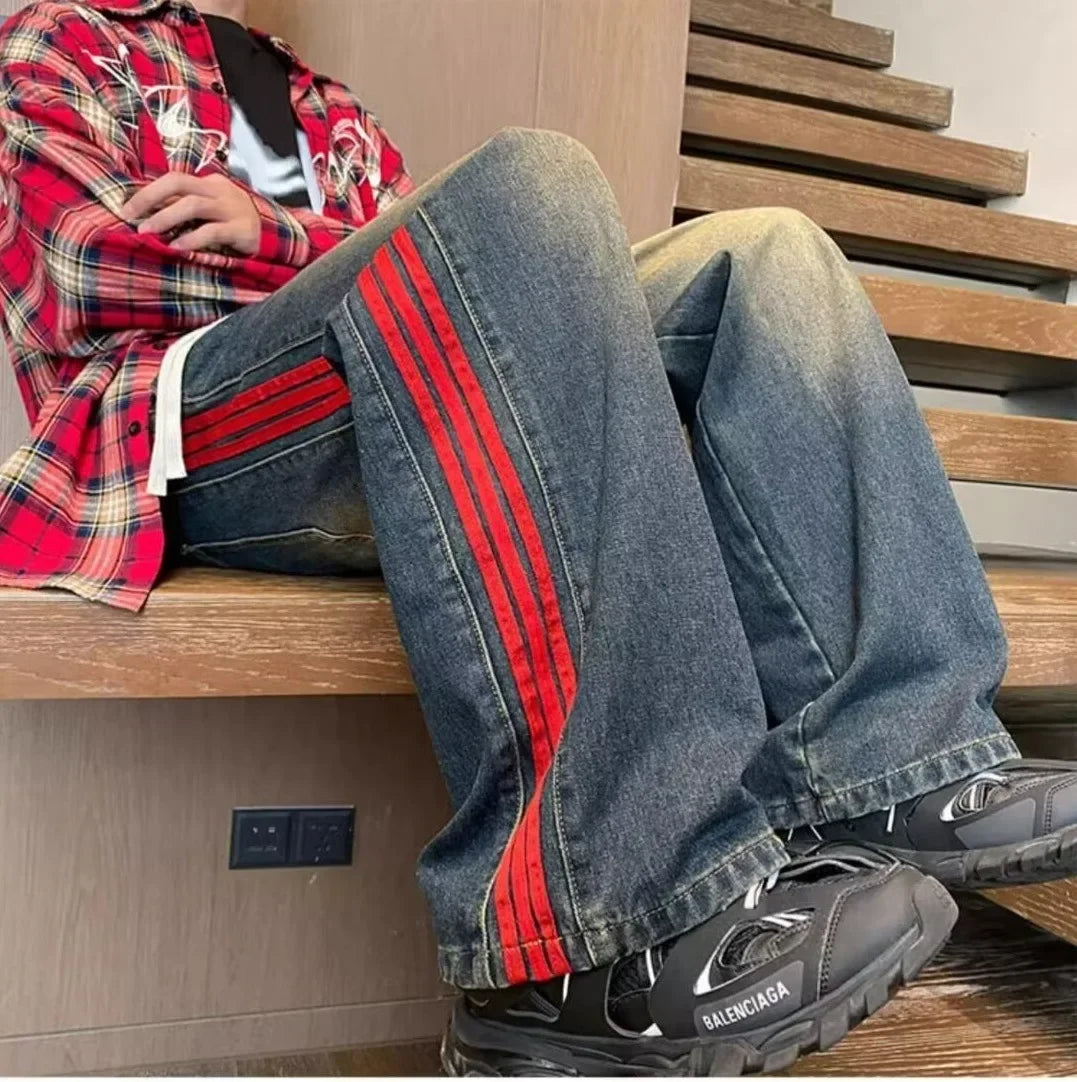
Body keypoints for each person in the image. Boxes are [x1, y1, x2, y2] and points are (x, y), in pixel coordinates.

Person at [0, 0, 1074, 1074]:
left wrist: (274, 230)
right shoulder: (64, 42)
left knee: (767, 250)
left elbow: (451, 262)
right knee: (526, 184)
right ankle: (597, 941)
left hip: (388, 397)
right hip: (183, 431)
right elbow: (86, 270)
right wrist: (318, 245)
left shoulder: (315, 102)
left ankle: (891, 756)